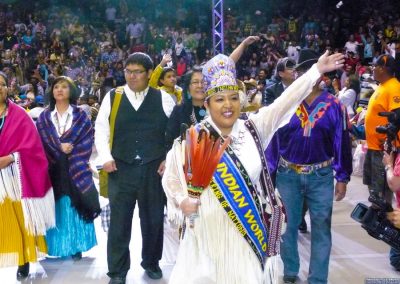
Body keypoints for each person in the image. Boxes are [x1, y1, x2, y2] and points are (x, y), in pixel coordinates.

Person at [162, 48, 345, 283]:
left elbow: (284, 102)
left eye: (234, 97)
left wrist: (315, 71)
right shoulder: (194, 137)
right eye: (219, 99)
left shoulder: (254, 128)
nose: (228, 105)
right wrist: (182, 200)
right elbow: (171, 177)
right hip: (206, 237)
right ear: (207, 104)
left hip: (247, 235)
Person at [269, 49, 352, 284]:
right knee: (288, 227)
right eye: (303, 71)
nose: (308, 75)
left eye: (314, 70)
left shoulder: (335, 106)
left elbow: (341, 141)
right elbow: (274, 140)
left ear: (323, 74)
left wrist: (343, 176)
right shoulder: (286, 103)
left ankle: (318, 278)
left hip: (321, 176)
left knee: (321, 228)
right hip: (288, 174)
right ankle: (290, 272)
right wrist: (270, 173)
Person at [95, 52, 175, 284]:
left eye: (138, 72)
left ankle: (151, 262)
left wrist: (167, 159)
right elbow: (101, 130)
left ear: (150, 73)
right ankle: (117, 272)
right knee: (119, 223)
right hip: (121, 168)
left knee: (153, 220)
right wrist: (106, 157)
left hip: (153, 169)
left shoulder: (163, 98)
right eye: (128, 71)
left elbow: (174, 134)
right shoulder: (113, 97)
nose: (132, 76)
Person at [36, 76, 100, 260]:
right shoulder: (44, 117)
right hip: (52, 169)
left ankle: (77, 246)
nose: (60, 90)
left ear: (71, 91)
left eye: (64, 87)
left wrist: (70, 150)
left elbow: (88, 139)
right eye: (56, 86)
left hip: (75, 167)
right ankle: (54, 247)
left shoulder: (80, 115)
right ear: (52, 92)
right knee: (54, 206)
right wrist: (59, 146)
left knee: (75, 204)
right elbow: (40, 141)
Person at [0, 71, 55, 280]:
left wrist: (11, 158)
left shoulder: (19, 115)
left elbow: (33, 148)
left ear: (8, 89)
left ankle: (23, 260)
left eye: (2, 84)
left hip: (15, 180)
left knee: (19, 223)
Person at [364, 54, 400, 204]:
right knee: (374, 191)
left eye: (374, 66)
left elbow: (397, 114)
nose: (372, 69)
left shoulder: (394, 87)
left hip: (383, 148)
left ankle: (384, 224)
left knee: (381, 196)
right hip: (373, 147)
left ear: (383, 68)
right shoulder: (382, 86)